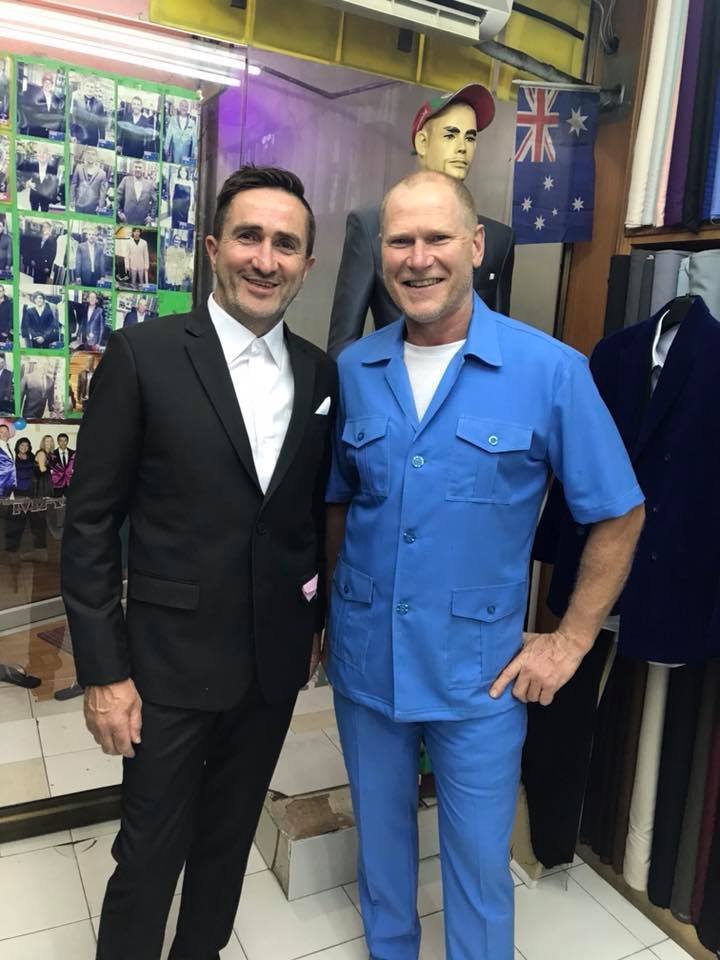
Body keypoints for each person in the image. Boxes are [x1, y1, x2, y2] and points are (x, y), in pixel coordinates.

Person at [324, 170, 646, 960]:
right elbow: (337, 503)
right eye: (400, 240)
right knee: (384, 860)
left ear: (474, 247)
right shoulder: (354, 368)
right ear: (381, 254)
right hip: (367, 667)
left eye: (437, 238)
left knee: (476, 869)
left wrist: (568, 640)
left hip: (479, 675)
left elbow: (619, 510)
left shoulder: (549, 370)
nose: (418, 258)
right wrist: (332, 614)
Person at [61, 164, 337, 960]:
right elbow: (89, 526)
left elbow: (303, 518)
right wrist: (105, 673)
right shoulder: (143, 355)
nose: (266, 258)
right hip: (165, 668)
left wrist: (312, 623)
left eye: (286, 244)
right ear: (215, 248)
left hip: (269, 664)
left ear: (307, 265)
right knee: (148, 856)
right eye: (249, 236)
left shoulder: (322, 373)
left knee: (226, 848)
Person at [328, 83, 515, 359]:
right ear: (423, 142)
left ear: (477, 243)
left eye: (471, 137)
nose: (462, 148)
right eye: (451, 135)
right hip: (391, 382)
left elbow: (499, 333)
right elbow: (344, 340)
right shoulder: (370, 227)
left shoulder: (498, 239)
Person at [5, 436, 49, 561]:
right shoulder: (12, 458)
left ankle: (41, 553)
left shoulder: (33, 457)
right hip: (18, 495)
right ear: (17, 446)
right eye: (22, 445)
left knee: (38, 523)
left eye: (26, 445)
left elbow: (41, 471)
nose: (24, 447)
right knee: (14, 524)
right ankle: (12, 552)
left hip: (34, 495)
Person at [23, 71, 64, 139]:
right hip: (35, 131)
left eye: (50, 83)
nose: (48, 85)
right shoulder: (34, 95)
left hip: (49, 134)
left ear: (52, 84)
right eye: (46, 82)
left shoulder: (55, 99)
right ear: (42, 83)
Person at [21, 143, 59, 212]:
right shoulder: (32, 166)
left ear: (48, 155)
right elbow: (23, 176)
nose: (41, 155)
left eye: (44, 153)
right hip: (34, 196)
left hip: (45, 198)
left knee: (44, 214)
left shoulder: (52, 169)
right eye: (39, 152)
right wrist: (27, 182)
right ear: (37, 155)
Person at [116, 160, 157, 225]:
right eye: (136, 167)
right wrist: (119, 212)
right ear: (132, 168)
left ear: (143, 170)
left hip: (142, 221)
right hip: (126, 219)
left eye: (140, 167)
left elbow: (155, 201)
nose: (137, 169)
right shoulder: (126, 180)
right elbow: (117, 197)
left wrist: (151, 216)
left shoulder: (150, 184)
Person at [71, 146, 109, 215]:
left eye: (93, 154)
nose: (90, 156)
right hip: (78, 204)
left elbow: (102, 192)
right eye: (88, 153)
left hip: (93, 207)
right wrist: (71, 200)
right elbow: (73, 184)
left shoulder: (102, 173)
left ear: (96, 157)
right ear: (85, 155)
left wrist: (101, 206)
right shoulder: (79, 168)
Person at [71, 76, 107, 146]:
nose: (89, 89)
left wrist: (102, 140)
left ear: (94, 89)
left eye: (92, 87)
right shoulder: (77, 101)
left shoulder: (99, 105)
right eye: (88, 86)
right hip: (79, 138)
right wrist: (73, 135)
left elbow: (101, 124)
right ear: (84, 87)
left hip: (93, 139)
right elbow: (74, 119)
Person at [117, 95, 154, 159]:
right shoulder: (126, 117)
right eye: (134, 104)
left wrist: (147, 151)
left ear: (141, 106)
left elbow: (148, 137)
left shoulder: (145, 120)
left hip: (139, 152)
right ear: (131, 105)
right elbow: (122, 132)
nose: (136, 106)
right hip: (126, 150)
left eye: (138, 104)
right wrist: (119, 145)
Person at [164, 99, 198, 164]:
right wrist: (166, 147)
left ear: (188, 109)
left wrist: (194, 152)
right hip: (175, 149)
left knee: (184, 169)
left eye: (186, 106)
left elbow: (194, 138)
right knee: (175, 166)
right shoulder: (173, 119)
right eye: (182, 106)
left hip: (186, 149)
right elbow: (169, 134)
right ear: (179, 107)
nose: (184, 108)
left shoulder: (192, 122)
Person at [0, 422, 14, 496]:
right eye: (1, 432)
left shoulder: (9, 446)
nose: (4, 434)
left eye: (6, 431)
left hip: (9, 484)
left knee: (6, 506)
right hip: (1, 483)